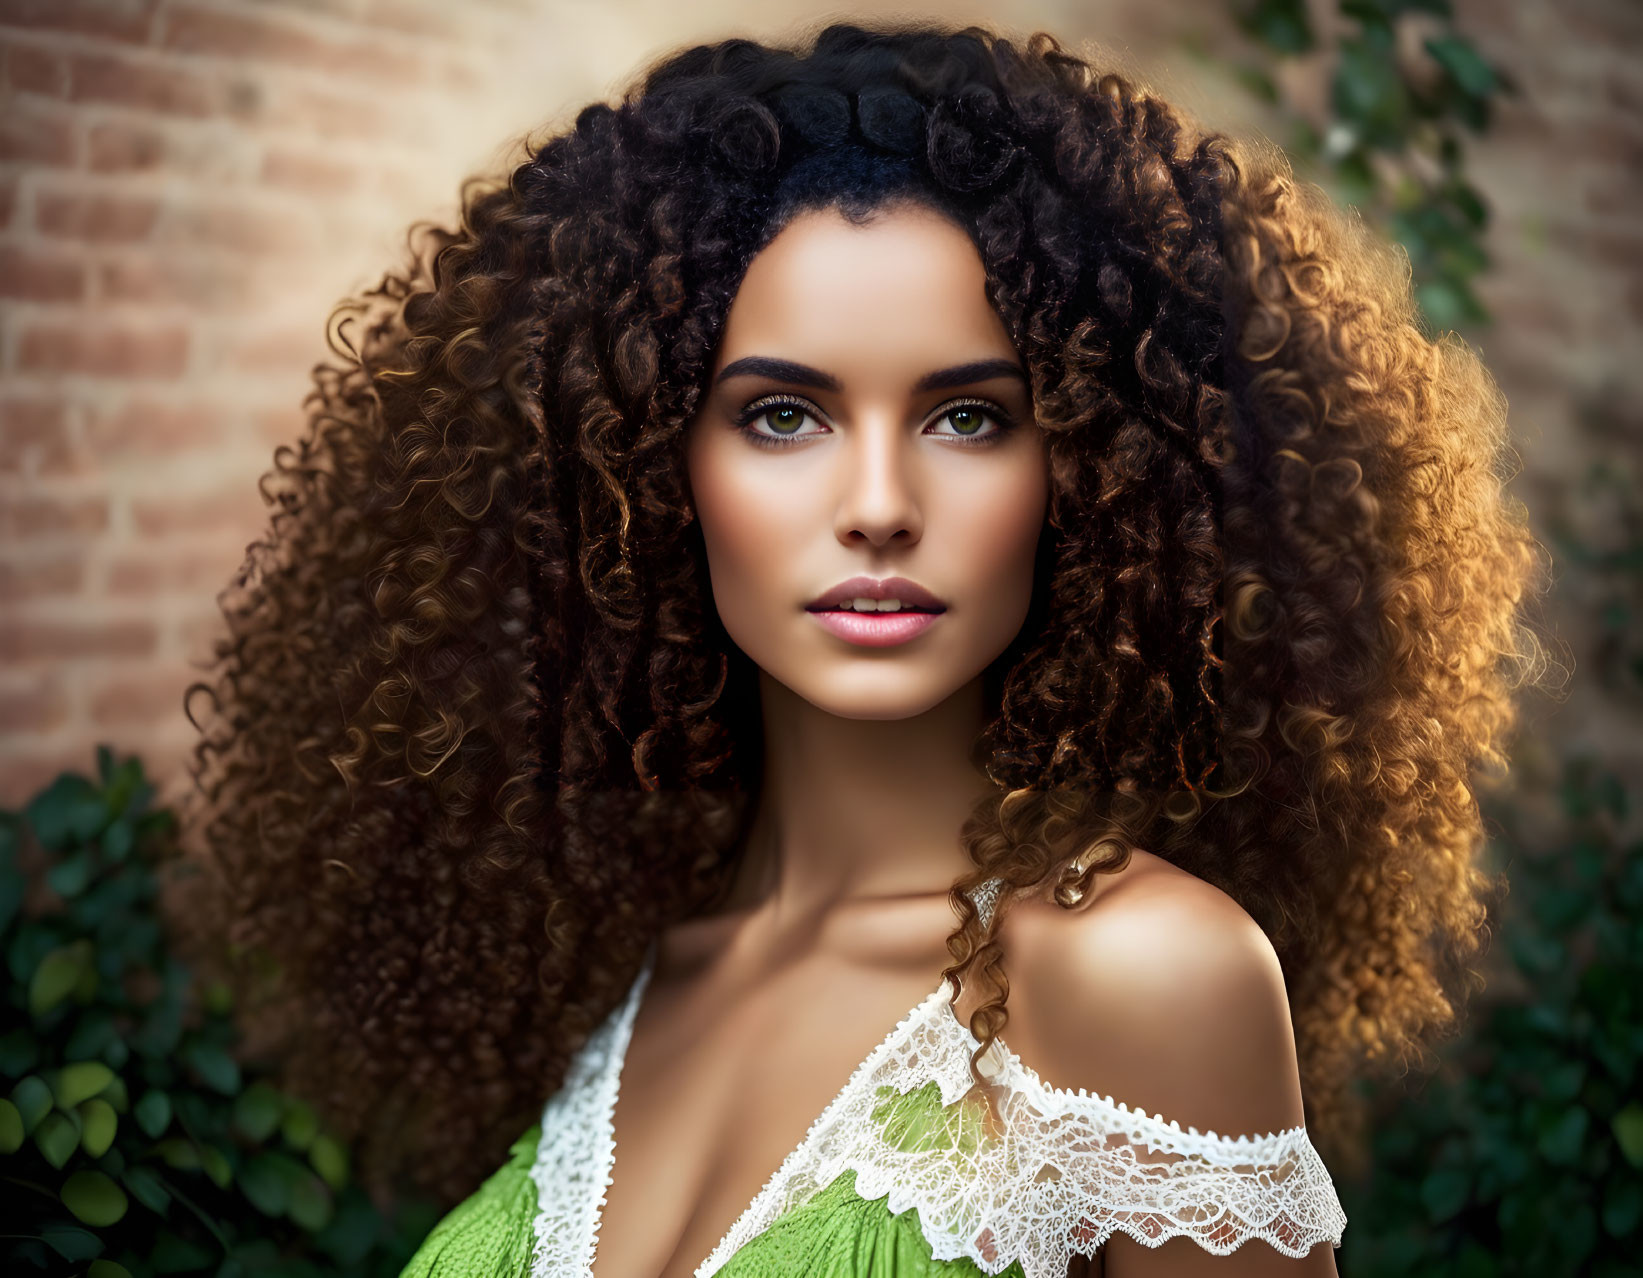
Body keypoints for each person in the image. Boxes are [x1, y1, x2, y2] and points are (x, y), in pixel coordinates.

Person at [174, 17, 1554, 1278]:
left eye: (969, 417)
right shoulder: (643, 955)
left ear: (1096, 464)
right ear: (652, 464)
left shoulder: (1141, 974)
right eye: (784, 415)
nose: (881, 506)